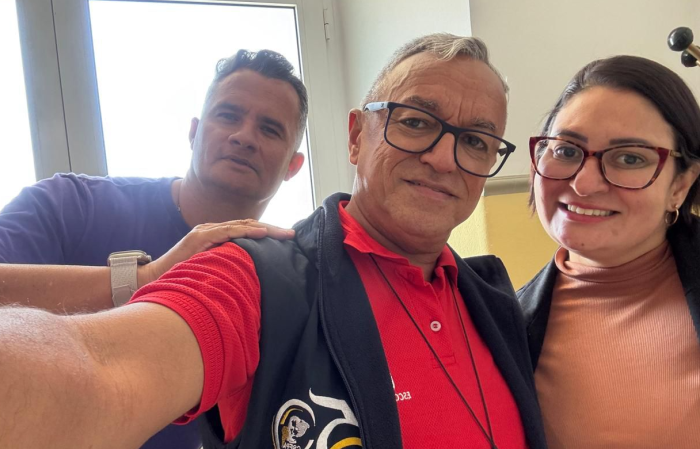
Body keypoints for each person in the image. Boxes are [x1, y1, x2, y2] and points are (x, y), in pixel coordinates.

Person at [0, 34, 547, 449]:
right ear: (357, 137)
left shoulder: (500, 304)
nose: (444, 158)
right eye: (416, 121)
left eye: (477, 141)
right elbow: (97, 372)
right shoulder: (255, 278)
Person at [0, 49, 307, 449]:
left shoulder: (288, 281)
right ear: (194, 132)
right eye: (229, 115)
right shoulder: (66, 205)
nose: (244, 137)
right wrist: (145, 277)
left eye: (269, 129)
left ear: (293, 166)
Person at [518, 55, 700, 448]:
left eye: (630, 158)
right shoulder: (504, 325)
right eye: (566, 150)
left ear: (680, 185)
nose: (583, 184)